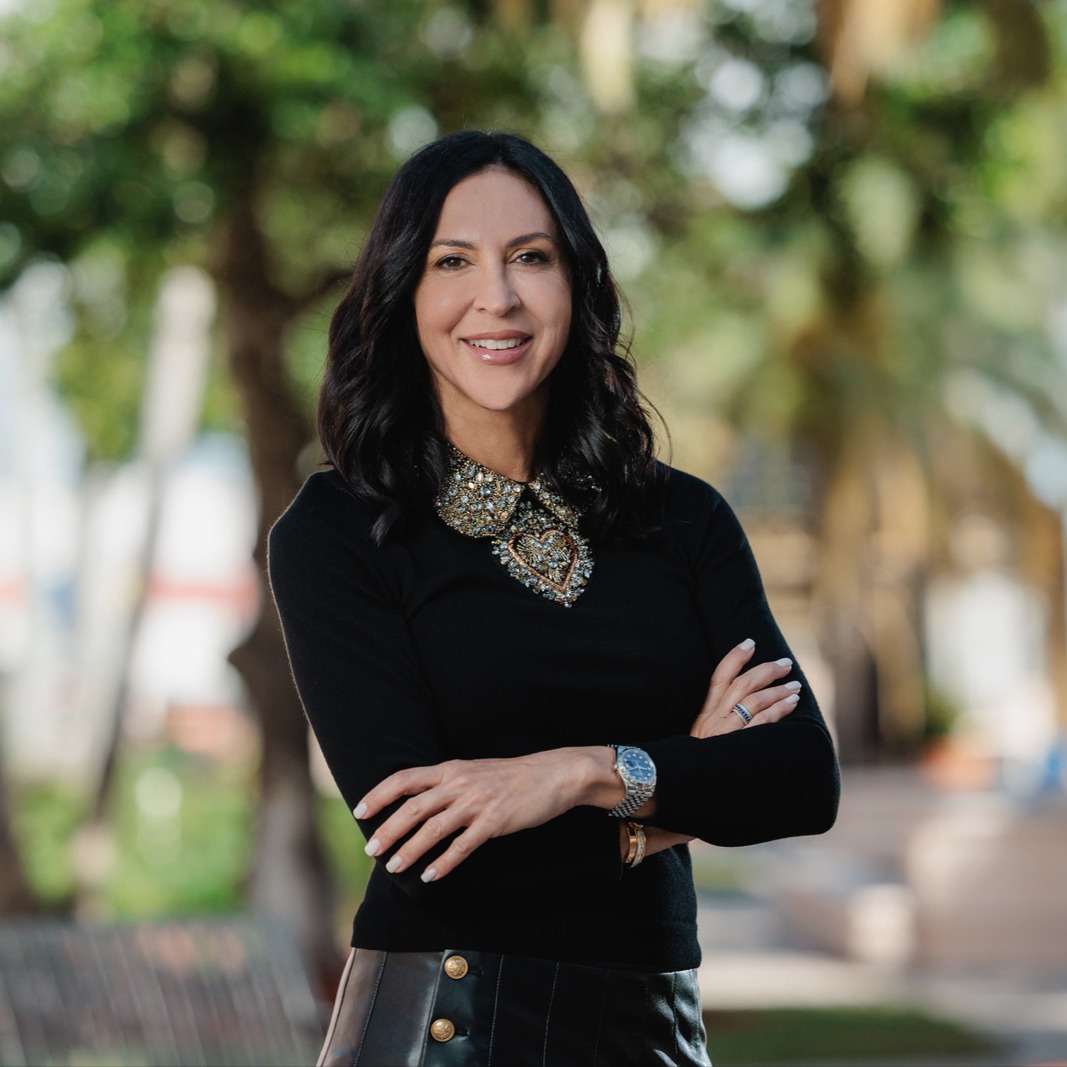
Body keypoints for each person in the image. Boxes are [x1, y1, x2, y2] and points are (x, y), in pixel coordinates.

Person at [268, 130, 839, 1067]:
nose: (496, 297)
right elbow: (428, 858)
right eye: (453, 261)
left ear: (576, 283)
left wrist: (576, 774)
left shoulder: (681, 519)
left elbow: (801, 780)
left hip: (652, 1030)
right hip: (443, 1029)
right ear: (404, 291)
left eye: (530, 257)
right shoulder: (339, 532)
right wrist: (684, 784)